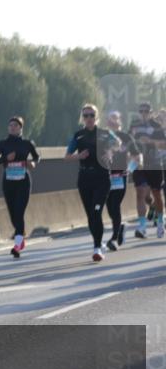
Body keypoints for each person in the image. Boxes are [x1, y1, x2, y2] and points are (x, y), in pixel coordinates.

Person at [65, 104, 121, 261]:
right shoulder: (78, 136)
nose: (89, 118)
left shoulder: (105, 133)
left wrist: (110, 151)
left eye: (91, 115)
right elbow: (67, 156)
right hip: (85, 178)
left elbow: (118, 143)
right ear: (82, 118)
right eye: (86, 115)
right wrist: (79, 156)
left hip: (102, 177)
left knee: (96, 212)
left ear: (96, 117)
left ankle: (97, 248)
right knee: (91, 215)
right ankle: (99, 242)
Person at [0, 116, 40, 258]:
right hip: (8, 182)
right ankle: (20, 233)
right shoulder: (3, 144)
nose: (12, 127)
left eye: (16, 125)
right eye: (10, 125)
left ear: (21, 128)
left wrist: (33, 163)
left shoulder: (27, 143)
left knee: (19, 212)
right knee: (13, 214)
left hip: (23, 182)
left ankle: (18, 245)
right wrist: (6, 159)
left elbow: (36, 157)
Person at [104, 110, 141, 251]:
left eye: (115, 118)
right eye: (110, 118)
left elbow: (138, 157)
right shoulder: (103, 136)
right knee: (109, 207)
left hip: (120, 176)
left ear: (120, 120)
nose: (113, 121)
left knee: (115, 204)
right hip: (106, 176)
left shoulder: (126, 137)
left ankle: (113, 238)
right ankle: (120, 227)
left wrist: (130, 169)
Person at [128, 102, 164, 239]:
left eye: (146, 111)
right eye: (141, 111)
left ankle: (160, 221)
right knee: (140, 193)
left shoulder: (156, 125)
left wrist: (150, 141)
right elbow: (127, 141)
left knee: (156, 194)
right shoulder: (134, 125)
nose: (143, 114)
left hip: (154, 163)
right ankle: (142, 227)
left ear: (151, 112)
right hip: (139, 164)